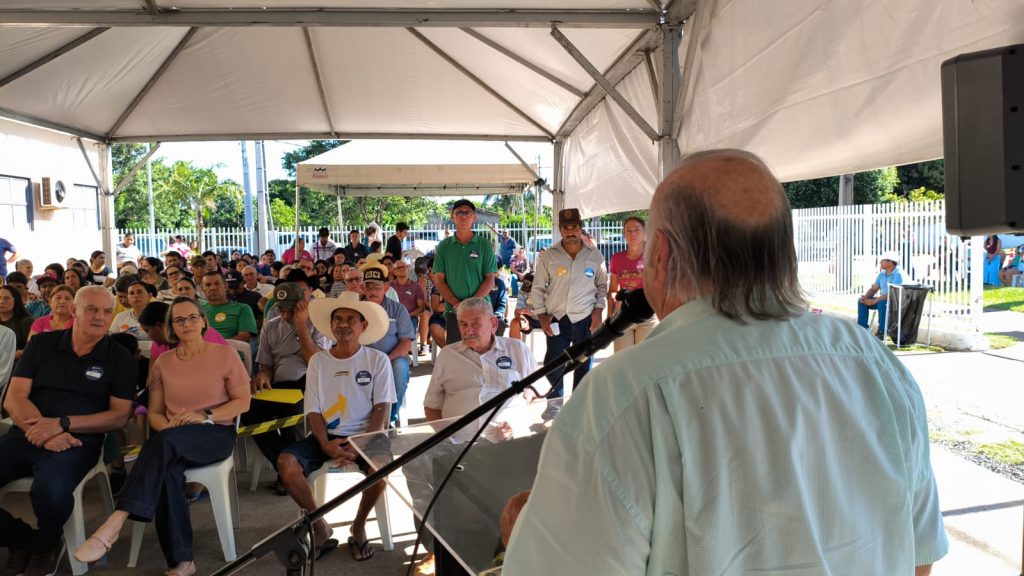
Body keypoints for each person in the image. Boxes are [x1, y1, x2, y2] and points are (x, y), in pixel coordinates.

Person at [502, 149, 947, 576]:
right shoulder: (877, 364)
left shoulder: (625, 394)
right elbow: (918, 556)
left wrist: (522, 532)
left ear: (660, 255)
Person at [73, 297, 251, 576]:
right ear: (172, 327)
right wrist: (169, 430)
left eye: (192, 317)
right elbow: (155, 413)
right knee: (167, 470)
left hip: (215, 431)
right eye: (179, 320)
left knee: (162, 446)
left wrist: (205, 415)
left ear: (203, 321)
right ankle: (182, 563)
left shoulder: (224, 355)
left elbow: (243, 402)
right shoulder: (164, 363)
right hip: (173, 436)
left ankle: (116, 520)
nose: (187, 324)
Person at [2, 286, 136, 576]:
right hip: (26, 432)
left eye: (106, 311)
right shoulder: (42, 344)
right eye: (92, 309)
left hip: (78, 441)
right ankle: (22, 540)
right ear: (74, 310)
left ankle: (46, 545)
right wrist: (45, 432)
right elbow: (14, 398)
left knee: (51, 491)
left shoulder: (119, 356)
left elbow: (119, 416)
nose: (100, 317)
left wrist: (62, 424)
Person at [416, 297, 538, 574]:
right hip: (460, 447)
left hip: (511, 444)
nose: (468, 330)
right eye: (462, 324)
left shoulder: (517, 350)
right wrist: (447, 439)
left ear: (493, 323)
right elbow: (431, 406)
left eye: (475, 324)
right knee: (419, 472)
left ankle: (513, 552)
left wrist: (517, 423)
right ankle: (437, 548)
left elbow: (537, 397)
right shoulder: (449, 356)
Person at [278, 292, 395, 562]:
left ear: (363, 326)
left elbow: (382, 408)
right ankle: (320, 526)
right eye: (337, 319)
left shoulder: (377, 360)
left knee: (382, 468)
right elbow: (313, 410)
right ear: (331, 326)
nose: (343, 324)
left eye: (350, 319)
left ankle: (359, 526)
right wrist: (324, 444)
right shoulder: (318, 362)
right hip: (327, 436)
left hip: (366, 435)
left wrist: (361, 443)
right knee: (286, 463)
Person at [245, 282, 331, 494]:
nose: (285, 315)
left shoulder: (317, 324)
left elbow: (315, 362)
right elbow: (266, 366)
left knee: (293, 415)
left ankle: (290, 470)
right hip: (279, 386)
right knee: (248, 411)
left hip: (309, 382)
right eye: (282, 310)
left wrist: (301, 325)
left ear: (302, 305)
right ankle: (289, 469)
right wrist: (263, 375)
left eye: (290, 310)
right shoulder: (271, 326)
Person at [529, 207, 608, 397]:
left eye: (574, 227)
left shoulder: (595, 255)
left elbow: (602, 287)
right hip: (557, 319)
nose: (570, 232)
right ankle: (556, 402)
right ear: (560, 230)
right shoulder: (549, 255)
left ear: (580, 228)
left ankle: (578, 405)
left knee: (583, 365)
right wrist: (541, 316)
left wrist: (598, 311)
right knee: (552, 365)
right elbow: (537, 288)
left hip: (585, 319)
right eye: (565, 228)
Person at [432, 200, 497, 345]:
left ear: (474, 217)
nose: (463, 216)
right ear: (452, 216)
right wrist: (457, 304)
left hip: (481, 310)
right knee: (458, 354)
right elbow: (439, 280)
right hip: (454, 311)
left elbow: (490, 279)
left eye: (467, 213)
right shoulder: (444, 246)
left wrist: (470, 305)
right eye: (459, 212)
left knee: (483, 353)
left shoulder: (485, 245)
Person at [360, 264, 415, 426]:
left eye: (377, 287)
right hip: (361, 358)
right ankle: (359, 417)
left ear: (386, 288)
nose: (372, 292)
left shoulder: (398, 309)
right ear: (363, 289)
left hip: (391, 357)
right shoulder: (356, 309)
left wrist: (387, 359)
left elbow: (406, 342)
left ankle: (388, 418)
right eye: (368, 287)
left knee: (400, 369)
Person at [607, 216, 655, 351]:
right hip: (623, 315)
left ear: (645, 233)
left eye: (637, 230)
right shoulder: (616, 258)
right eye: (629, 230)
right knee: (622, 357)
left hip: (647, 315)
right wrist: (610, 316)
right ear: (624, 234)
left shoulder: (653, 257)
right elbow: (613, 290)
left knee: (645, 357)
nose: (633, 233)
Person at [857, 250, 904, 339]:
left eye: (882, 260)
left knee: (882, 303)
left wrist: (874, 301)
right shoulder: (882, 274)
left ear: (890, 262)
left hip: (895, 303)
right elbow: (874, 289)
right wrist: (866, 297)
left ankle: (882, 332)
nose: (880, 262)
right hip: (882, 301)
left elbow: (892, 294)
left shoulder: (898, 274)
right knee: (861, 301)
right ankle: (862, 330)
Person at [201, 271, 257, 341]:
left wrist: (218, 345)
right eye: (208, 285)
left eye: (217, 283)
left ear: (226, 286)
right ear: (203, 289)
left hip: (232, 347)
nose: (213, 287)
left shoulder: (242, 308)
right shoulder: (198, 310)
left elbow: (244, 336)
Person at [391, 259, 426, 348]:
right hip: (392, 319)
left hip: (410, 318)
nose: (401, 269)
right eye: (398, 268)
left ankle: (404, 351)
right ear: (394, 272)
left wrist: (406, 315)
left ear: (408, 269)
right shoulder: (390, 287)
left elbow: (421, 308)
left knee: (405, 336)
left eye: (403, 267)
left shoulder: (416, 286)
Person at [0, 285, 33, 359]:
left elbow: (33, 347)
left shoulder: (27, 321)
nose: (1, 302)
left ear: (16, 301)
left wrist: (16, 355)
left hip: (19, 362)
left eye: (7, 298)